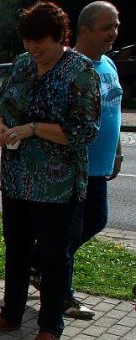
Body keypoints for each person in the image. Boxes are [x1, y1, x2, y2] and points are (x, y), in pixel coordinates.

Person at [0, 1, 100, 340]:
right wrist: (1, 127)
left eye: (41, 44)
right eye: (29, 42)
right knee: (16, 249)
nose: (34, 50)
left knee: (53, 256)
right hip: (17, 179)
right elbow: (0, 107)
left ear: (60, 37)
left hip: (58, 186)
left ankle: (50, 326)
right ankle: (11, 313)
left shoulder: (80, 71)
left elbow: (83, 132)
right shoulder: (21, 64)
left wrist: (33, 129)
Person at [60, 1, 123, 320]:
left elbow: (114, 110)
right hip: (75, 168)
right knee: (71, 232)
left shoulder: (108, 65)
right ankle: (62, 294)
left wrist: (118, 152)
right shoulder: (71, 67)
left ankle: (41, 263)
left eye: (115, 26)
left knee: (96, 221)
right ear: (84, 30)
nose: (113, 33)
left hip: (100, 165)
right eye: (106, 27)